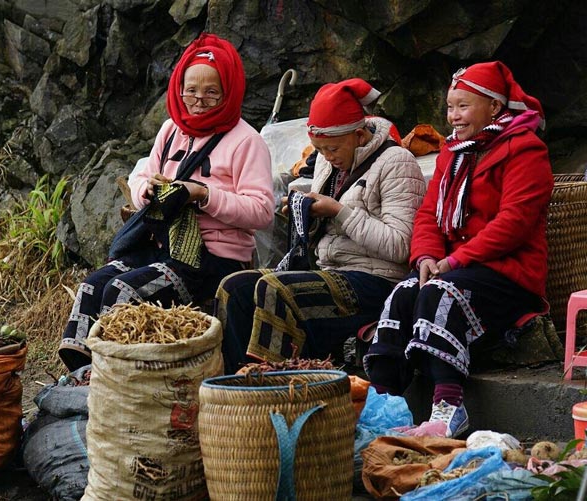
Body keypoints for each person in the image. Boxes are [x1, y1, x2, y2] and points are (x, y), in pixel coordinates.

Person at [58, 33, 274, 371]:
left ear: (228, 92)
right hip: (161, 247)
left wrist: (202, 194)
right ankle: (84, 377)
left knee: (122, 291)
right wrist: (146, 189)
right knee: (92, 286)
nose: (198, 100)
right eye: (191, 90)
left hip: (212, 260)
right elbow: (141, 176)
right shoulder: (172, 130)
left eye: (211, 92)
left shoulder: (248, 141)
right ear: (178, 88)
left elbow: (261, 211)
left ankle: (121, 379)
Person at [363, 61, 553, 438]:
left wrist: (453, 261)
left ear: (494, 108)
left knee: (439, 293)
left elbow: (514, 223)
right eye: (450, 107)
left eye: (463, 106)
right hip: (456, 266)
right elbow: (429, 215)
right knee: (403, 292)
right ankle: (382, 406)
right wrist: (426, 257)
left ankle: (448, 406)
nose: (454, 116)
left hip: (508, 273)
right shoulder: (455, 152)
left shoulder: (526, 151)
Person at [215, 78, 426, 375]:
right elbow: (325, 235)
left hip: (378, 282)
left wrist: (339, 211)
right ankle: (236, 386)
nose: (327, 157)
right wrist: (308, 215)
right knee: (234, 287)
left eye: (333, 148)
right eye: (320, 149)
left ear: (359, 134)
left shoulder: (397, 163)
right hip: (332, 273)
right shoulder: (329, 164)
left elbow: (401, 245)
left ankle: (277, 388)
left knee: (275, 288)